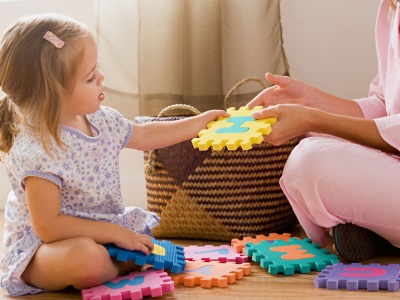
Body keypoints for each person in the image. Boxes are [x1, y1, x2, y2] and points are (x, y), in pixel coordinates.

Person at [0, 13, 229, 296]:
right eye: (89, 77)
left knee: (138, 235)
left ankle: (119, 261)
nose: (101, 79)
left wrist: (197, 124)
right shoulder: (39, 151)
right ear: (52, 94)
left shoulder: (100, 120)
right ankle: (115, 265)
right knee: (87, 258)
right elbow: (49, 227)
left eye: (97, 69)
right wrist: (116, 235)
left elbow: (144, 136)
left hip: (99, 231)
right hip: (44, 248)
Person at [247, 0, 400, 263]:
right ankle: (374, 234)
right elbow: (385, 106)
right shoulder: (391, 8)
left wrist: (314, 118)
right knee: (314, 140)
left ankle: (371, 234)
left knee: (310, 161)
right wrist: (309, 100)